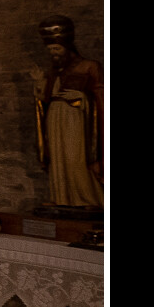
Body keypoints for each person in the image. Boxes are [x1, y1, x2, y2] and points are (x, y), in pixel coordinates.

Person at [34, 16, 102, 210]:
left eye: (57, 49)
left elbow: (101, 98)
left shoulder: (89, 66)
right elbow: (47, 98)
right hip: (55, 119)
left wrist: (82, 98)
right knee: (58, 160)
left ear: (68, 48)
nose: (53, 53)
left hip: (77, 120)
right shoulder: (55, 71)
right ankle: (61, 198)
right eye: (50, 50)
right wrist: (39, 83)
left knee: (75, 158)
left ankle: (88, 199)